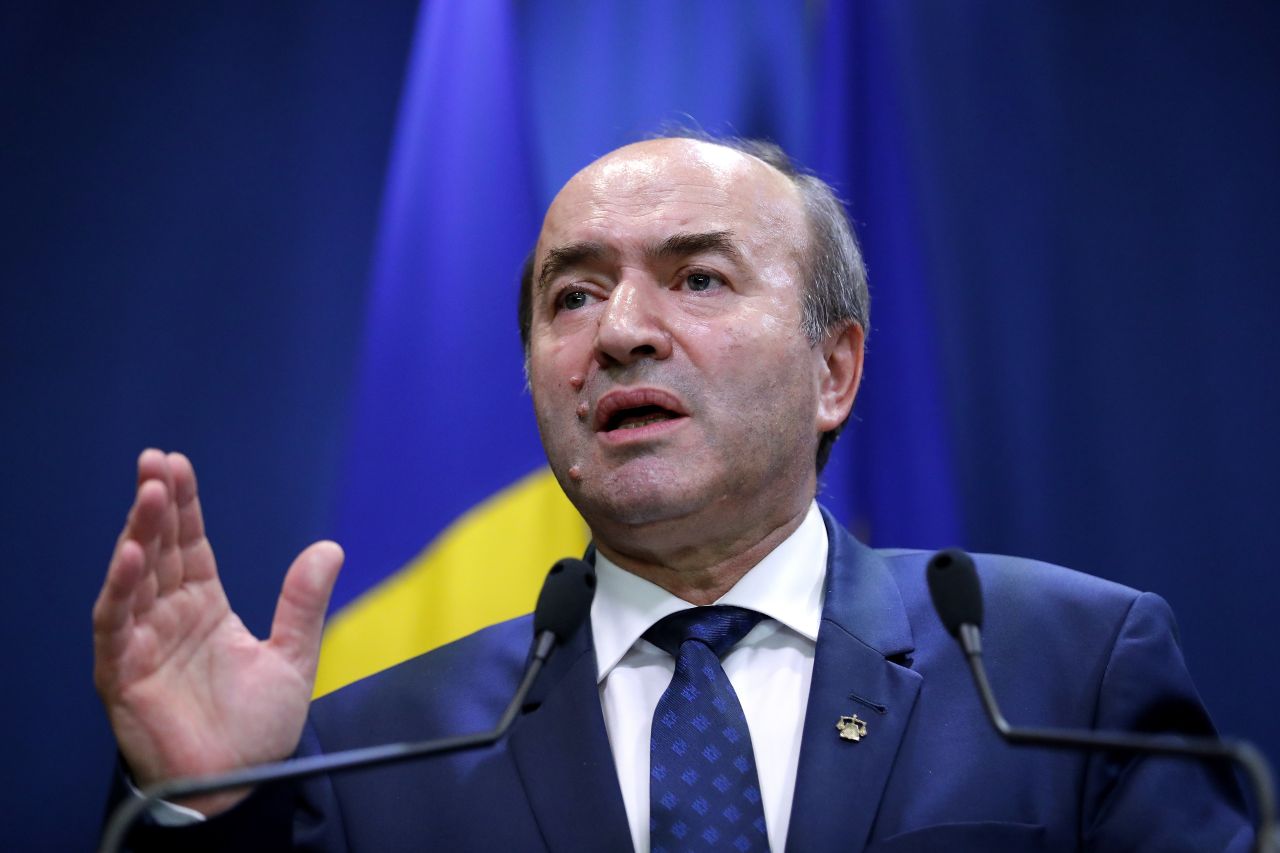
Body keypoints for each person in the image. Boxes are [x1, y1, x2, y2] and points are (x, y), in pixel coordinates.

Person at [95, 136, 1252, 851]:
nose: (620, 333)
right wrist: (205, 808)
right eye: (572, 296)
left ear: (833, 370)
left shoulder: (1062, 673)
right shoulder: (370, 752)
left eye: (696, 277)